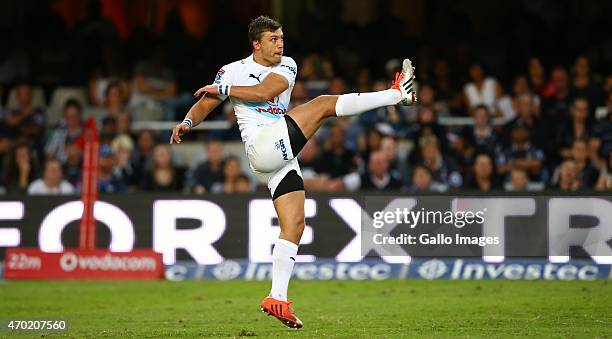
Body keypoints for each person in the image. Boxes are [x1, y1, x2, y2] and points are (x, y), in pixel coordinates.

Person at [169, 16, 416, 329]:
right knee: (324, 104)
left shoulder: (286, 65)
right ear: (256, 44)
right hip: (263, 146)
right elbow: (207, 102)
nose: (280, 44)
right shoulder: (231, 70)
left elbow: (264, 91)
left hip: (281, 150)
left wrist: (223, 87)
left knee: (295, 224)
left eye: (281, 38)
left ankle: (277, 298)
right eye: (273, 39)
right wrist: (188, 122)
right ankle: (397, 94)